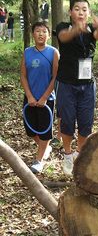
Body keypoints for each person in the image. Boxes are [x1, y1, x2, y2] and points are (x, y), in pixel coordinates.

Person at [55, 0, 98, 176]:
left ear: (89, 13)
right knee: (67, 122)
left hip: (87, 84)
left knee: (86, 124)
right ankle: (67, 154)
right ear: (70, 13)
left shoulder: (91, 29)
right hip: (66, 83)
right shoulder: (63, 26)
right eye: (77, 9)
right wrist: (76, 30)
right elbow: (63, 37)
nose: (81, 12)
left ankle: (78, 154)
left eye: (84, 10)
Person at [20, 21, 60, 173]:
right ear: (32, 34)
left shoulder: (53, 52)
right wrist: (29, 95)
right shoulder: (27, 52)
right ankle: (46, 147)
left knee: (44, 130)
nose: (41, 34)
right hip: (30, 98)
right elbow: (23, 76)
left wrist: (44, 97)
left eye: (44, 31)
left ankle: (39, 160)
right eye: (37, 31)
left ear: (49, 35)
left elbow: (56, 77)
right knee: (31, 131)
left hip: (47, 99)